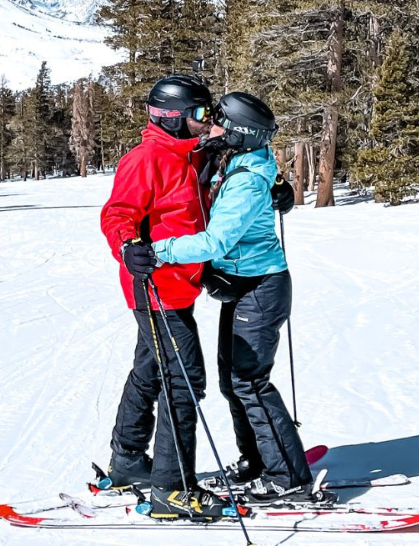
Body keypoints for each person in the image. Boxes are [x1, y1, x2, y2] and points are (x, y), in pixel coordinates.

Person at [151, 92, 324, 504]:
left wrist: (159, 250)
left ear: (238, 133)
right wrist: (279, 185)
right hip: (243, 285)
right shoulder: (235, 159)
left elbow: (216, 240)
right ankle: (258, 461)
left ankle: (288, 477)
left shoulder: (246, 180)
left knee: (250, 382)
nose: (210, 127)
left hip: (261, 288)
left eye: (219, 123)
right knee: (233, 382)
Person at [99, 74, 227, 519]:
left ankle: (128, 460)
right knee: (185, 381)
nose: (206, 120)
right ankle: (171, 489)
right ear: (173, 117)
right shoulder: (146, 159)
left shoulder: (189, 155)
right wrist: (126, 246)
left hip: (179, 286)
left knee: (150, 369)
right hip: (156, 288)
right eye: (199, 114)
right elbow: (117, 213)